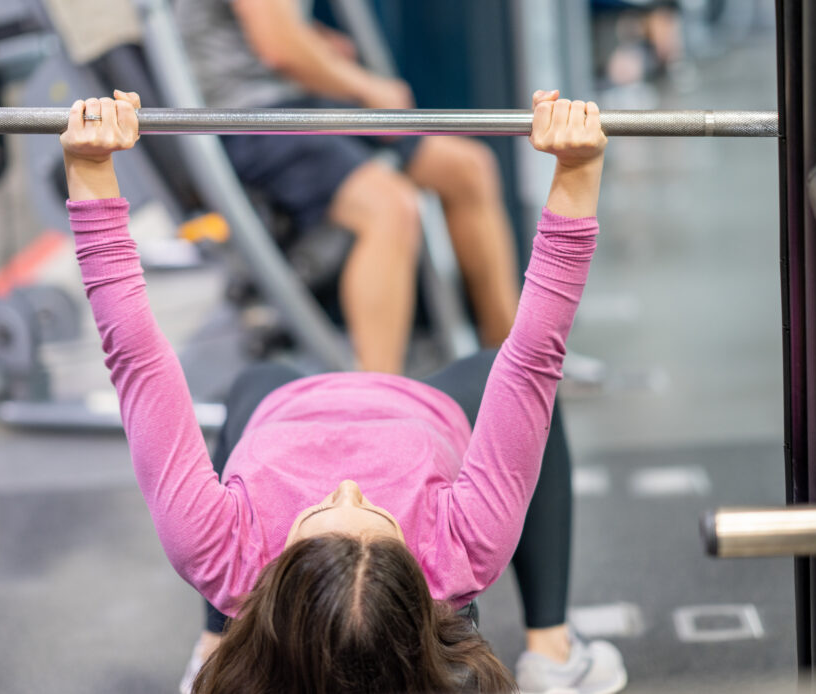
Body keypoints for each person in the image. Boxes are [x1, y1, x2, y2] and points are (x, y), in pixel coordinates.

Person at [61, 89, 627, 693]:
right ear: (419, 592)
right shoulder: (462, 548)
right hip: (419, 411)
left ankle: (215, 646)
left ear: (273, 588)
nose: (351, 488)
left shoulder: (219, 552)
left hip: (282, 408)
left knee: (251, 383)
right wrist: (575, 172)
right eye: (377, 517)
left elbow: (137, 360)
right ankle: (553, 652)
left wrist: (91, 170)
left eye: (325, 514)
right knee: (513, 385)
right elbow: (533, 359)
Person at [174, 0, 522, 375]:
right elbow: (279, 48)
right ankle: (377, 402)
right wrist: (366, 87)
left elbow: (268, 30)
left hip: (301, 104)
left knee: (467, 168)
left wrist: (317, 45)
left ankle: (511, 366)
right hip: (252, 121)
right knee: (390, 206)